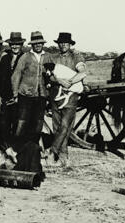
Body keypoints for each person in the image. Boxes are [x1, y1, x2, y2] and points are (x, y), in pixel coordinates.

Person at [46, 32, 87, 166]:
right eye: (61, 43)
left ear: (70, 44)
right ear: (58, 44)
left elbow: (82, 73)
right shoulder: (53, 58)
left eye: (66, 43)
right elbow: (49, 77)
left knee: (65, 126)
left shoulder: (76, 57)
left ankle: (53, 153)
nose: (63, 45)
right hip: (55, 95)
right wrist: (58, 80)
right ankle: (63, 158)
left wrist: (69, 82)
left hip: (70, 96)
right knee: (57, 125)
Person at [11, 31, 50, 147]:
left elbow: (52, 74)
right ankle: (16, 149)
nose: (38, 45)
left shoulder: (47, 57)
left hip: (41, 95)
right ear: (32, 44)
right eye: (35, 43)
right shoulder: (25, 57)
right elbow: (16, 75)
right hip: (25, 95)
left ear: (42, 44)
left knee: (38, 123)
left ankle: (33, 149)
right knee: (22, 123)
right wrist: (15, 94)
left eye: (40, 43)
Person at [0, 31, 25, 152]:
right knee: (4, 124)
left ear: (21, 45)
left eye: (17, 44)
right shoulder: (5, 58)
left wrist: (18, 95)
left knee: (18, 125)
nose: (15, 46)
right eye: (12, 44)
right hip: (5, 97)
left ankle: (17, 150)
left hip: (20, 97)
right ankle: (6, 150)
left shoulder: (25, 58)